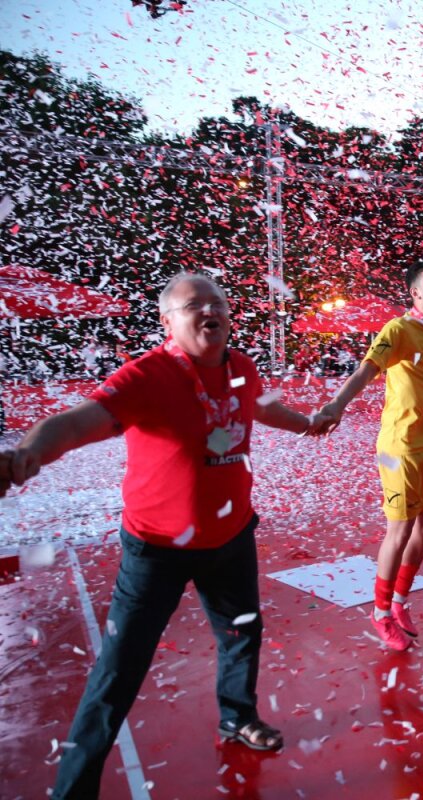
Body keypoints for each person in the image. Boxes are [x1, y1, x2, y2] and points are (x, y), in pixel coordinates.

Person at [0, 273, 329, 799]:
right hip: (158, 550)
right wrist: (26, 454)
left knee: (242, 636)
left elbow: (262, 408)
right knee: (118, 671)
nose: (210, 311)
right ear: (167, 321)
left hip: (231, 537)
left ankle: (236, 718)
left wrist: (307, 423)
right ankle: (73, 787)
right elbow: (75, 422)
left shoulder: (240, 366)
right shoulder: (146, 377)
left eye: (218, 303)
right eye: (194, 305)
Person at [316, 258, 423, 652]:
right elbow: (365, 370)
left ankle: (398, 603)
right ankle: (379, 612)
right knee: (399, 529)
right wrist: (335, 406)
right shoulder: (397, 330)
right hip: (401, 449)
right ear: (415, 292)